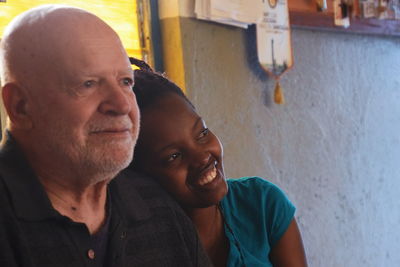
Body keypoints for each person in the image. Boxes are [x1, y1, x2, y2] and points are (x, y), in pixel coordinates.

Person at [0, 5, 211, 267]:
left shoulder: (158, 208)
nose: (122, 105)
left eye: (125, 81)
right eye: (88, 83)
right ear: (21, 106)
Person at [129, 58, 308, 267]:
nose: (202, 157)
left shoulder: (261, 204)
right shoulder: (138, 249)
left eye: (202, 133)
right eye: (174, 156)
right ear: (138, 175)